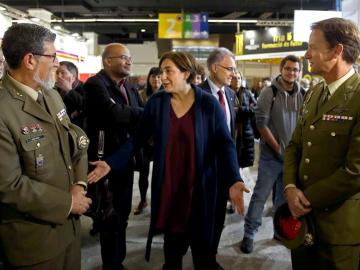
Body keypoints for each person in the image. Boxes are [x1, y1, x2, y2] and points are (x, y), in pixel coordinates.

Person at [88, 51, 249, 270]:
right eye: (162, 71)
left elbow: (225, 144)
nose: (162, 77)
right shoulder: (157, 102)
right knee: (172, 253)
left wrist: (234, 179)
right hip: (171, 191)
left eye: (168, 71)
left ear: (186, 73)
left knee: (203, 253)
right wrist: (111, 162)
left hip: (200, 191)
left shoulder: (208, 105)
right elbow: (137, 138)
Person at [0, 23, 91, 269]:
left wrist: (79, 184)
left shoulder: (50, 95)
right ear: (30, 60)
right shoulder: (3, 109)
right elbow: (9, 185)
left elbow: (75, 141)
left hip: (70, 232)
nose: (57, 63)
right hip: (34, 243)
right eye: (52, 56)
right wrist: (68, 203)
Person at [284, 17, 360, 270]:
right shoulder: (315, 92)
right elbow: (295, 145)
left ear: (337, 51)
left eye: (312, 47)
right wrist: (290, 187)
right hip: (303, 225)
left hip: (339, 232)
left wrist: (304, 198)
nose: (306, 55)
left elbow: (355, 170)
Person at [84, 43, 143, 270]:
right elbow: (115, 113)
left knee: (123, 216)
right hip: (103, 161)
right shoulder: (95, 84)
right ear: (108, 61)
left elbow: (133, 113)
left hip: (124, 160)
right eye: (124, 58)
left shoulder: (129, 87)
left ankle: (118, 261)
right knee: (108, 218)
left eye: (130, 58)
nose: (129, 62)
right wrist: (146, 113)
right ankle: (112, 265)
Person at [240, 55, 304, 254]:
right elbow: (261, 124)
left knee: (283, 200)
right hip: (271, 157)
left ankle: (279, 231)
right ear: (281, 69)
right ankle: (249, 234)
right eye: (288, 68)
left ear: (299, 72)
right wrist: (278, 149)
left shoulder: (303, 93)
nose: (291, 72)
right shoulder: (270, 92)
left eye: (295, 69)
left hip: (292, 158)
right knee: (260, 195)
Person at [199, 47, 238, 268]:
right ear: (215, 68)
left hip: (224, 171)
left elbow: (231, 135)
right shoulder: (197, 95)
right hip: (202, 171)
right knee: (201, 220)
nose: (233, 73)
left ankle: (209, 258)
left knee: (218, 219)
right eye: (229, 68)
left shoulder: (230, 95)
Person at [134, 67, 162, 215]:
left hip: (161, 141)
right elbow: (139, 116)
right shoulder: (141, 95)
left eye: (158, 77)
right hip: (145, 141)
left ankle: (159, 202)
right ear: (149, 79)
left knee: (161, 173)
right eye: (153, 77)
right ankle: (143, 200)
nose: (156, 80)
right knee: (143, 172)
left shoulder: (168, 95)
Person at [230, 70, 257, 169]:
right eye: (234, 78)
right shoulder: (226, 92)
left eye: (239, 78)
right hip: (231, 129)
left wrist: (241, 109)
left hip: (245, 130)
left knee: (242, 158)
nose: (237, 80)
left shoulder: (247, 92)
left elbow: (256, 108)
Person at [55, 61, 86, 128]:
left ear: (73, 76)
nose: (59, 76)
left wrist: (69, 90)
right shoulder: (55, 89)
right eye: (57, 73)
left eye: (63, 73)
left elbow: (86, 107)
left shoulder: (85, 88)